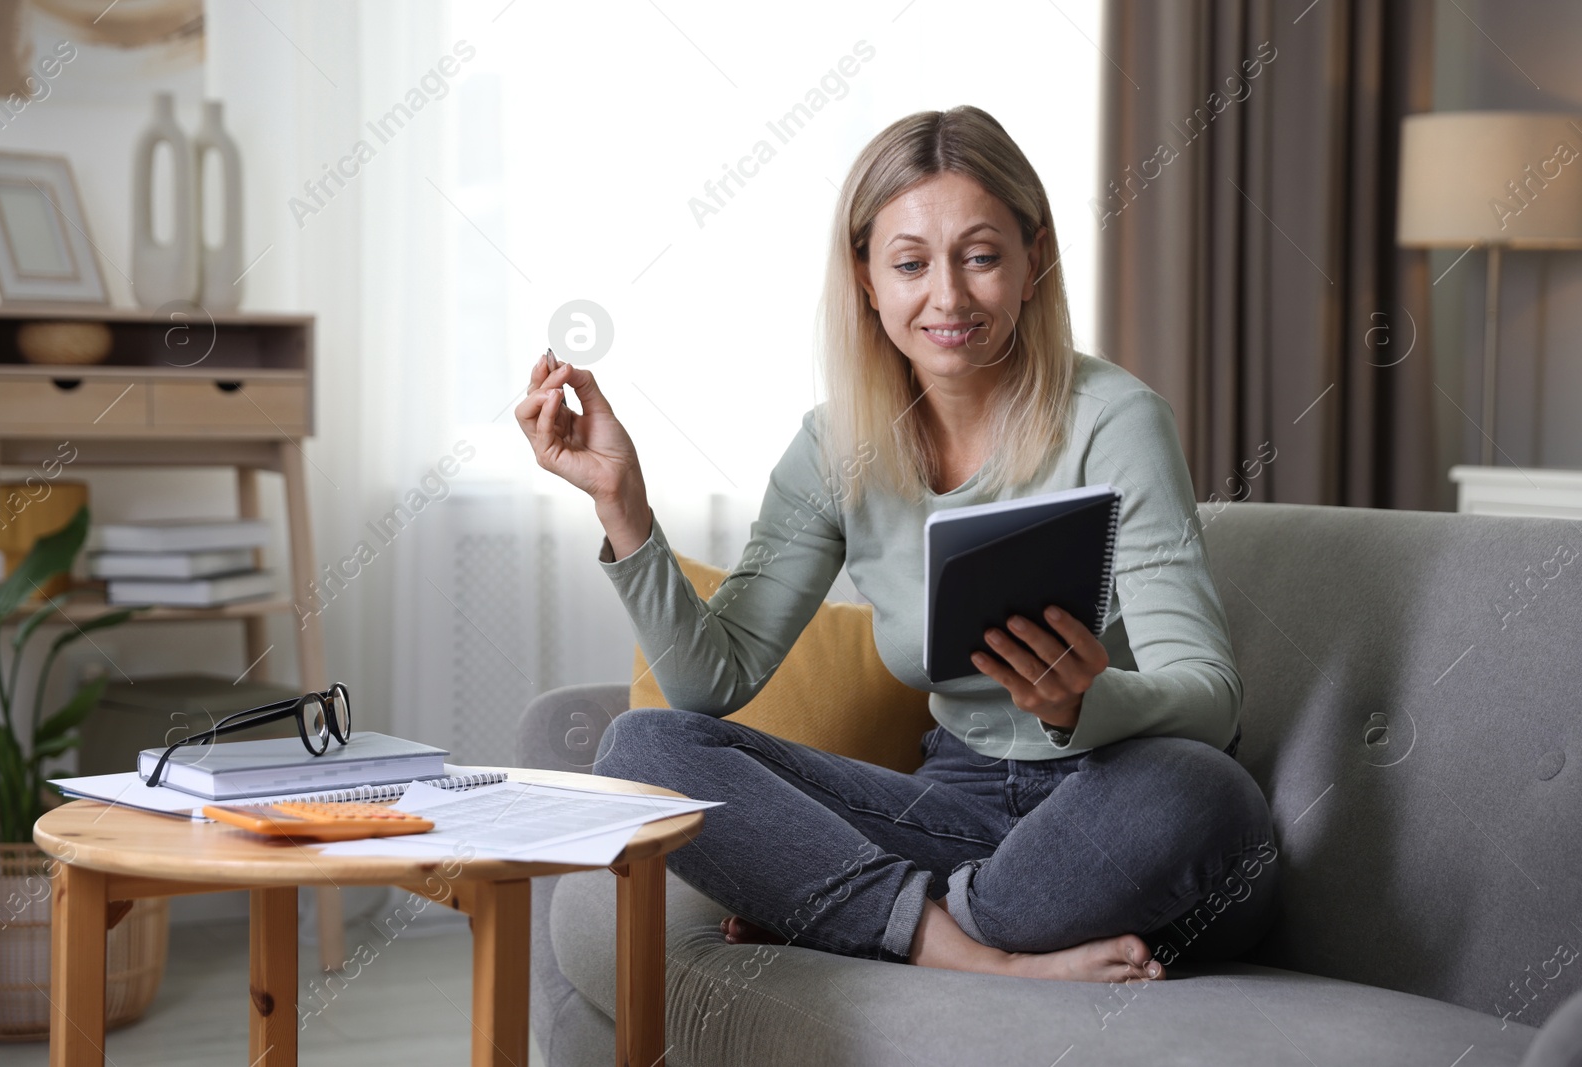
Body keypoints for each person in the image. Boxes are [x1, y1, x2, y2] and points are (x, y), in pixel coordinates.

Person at [514, 105, 1277, 984]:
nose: (947, 297)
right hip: (959, 806)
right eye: (911, 263)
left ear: (1035, 262)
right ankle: (970, 950)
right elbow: (709, 683)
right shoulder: (837, 447)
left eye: (982, 256)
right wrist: (623, 504)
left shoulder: (1116, 421)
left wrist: (1084, 702)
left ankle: (875, 917)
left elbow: (1213, 699)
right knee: (643, 750)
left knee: (1199, 789)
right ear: (867, 280)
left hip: (1114, 806)